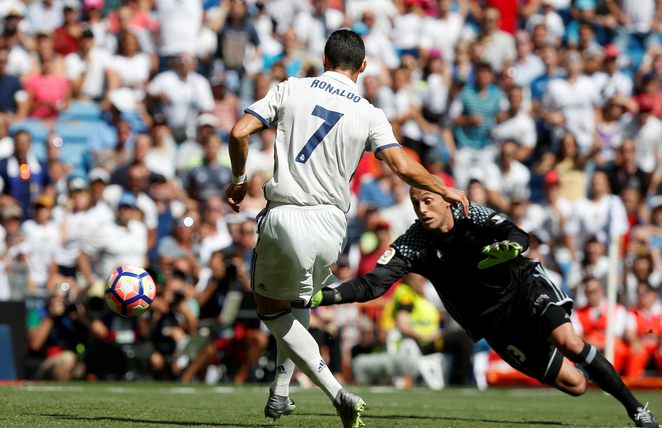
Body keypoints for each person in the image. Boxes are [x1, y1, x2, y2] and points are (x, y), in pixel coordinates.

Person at [225, 29, 468, 427]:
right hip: (333, 226)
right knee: (298, 302)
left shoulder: (291, 88)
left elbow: (239, 132)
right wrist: (444, 188)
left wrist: (238, 180)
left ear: (324, 59)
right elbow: (402, 166)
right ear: (363, 67)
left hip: (288, 213)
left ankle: (338, 392)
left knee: (271, 310)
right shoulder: (371, 113)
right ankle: (281, 391)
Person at [313, 177, 659, 427]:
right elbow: (372, 284)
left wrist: (510, 248)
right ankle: (594, 370)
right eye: (416, 203)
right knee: (577, 385)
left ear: (446, 199)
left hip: (524, 288)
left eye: (428, 200)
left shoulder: (469, 213)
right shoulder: (413, 243)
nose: (422, 209)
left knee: (569, 341)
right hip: (494, 324)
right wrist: (326, 295)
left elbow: (517, 234)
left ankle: (637, 410)